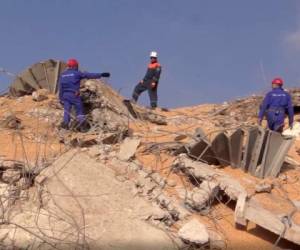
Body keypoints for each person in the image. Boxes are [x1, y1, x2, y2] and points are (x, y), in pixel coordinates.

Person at [59, 58, 110, 131]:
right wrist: (101, 75)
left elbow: (60, 88)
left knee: (67, 110)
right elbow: (88, 75)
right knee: (79, 108)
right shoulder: (77, 73)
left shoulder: (62, 75)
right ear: (75, 66)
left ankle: (65, 124)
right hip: (74, 95)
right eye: (77, 66)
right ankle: (82, 125)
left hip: (65, 95)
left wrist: (61, 98)